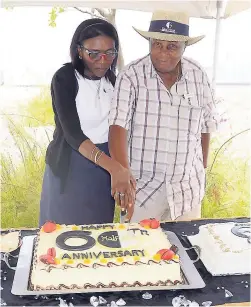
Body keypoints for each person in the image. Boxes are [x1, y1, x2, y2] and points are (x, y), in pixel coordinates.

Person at [109, 10, 221, 222]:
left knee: (185, 253)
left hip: (188, 191)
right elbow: (117, 127)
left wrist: (202, 167)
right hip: (142, 192)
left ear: (184, 47)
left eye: (172, 47)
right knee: (140, 252)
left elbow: (207, 124)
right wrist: (122, 175)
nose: (162, 53)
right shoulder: (131, 75)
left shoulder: (198, 74)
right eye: (156, 44)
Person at [39, 18, 135, 226]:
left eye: (110, 53)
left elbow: (119, 129)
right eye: (93, 54)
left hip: (103, 171)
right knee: (62, 237)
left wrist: (122, 170)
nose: (102, 60)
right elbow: (72, 133)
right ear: (79, 51)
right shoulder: (65, 78)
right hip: (70, 164)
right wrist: (115, 168)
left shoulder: (115, 83)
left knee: (99, 233)